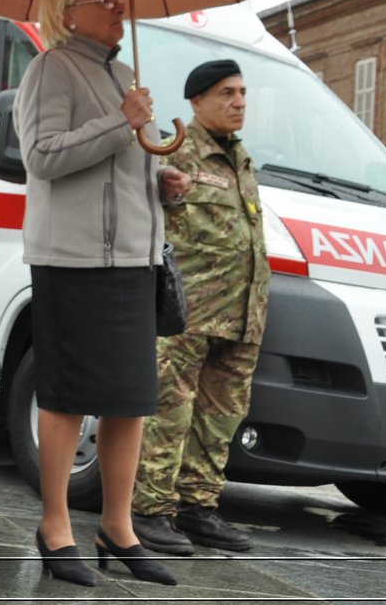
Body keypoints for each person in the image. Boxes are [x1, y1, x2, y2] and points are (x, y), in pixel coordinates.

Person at [13, 0, 191, 588]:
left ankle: (119, 528)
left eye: (120, 0)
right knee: (65, 398)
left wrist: (162, 182)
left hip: (133, 262)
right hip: (74, 258)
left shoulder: (123, 76)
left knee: (129, 402)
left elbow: (119, 167)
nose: (120, 8)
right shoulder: (51, 69)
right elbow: (43, 156)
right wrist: (122, 121)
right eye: (105, 1)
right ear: (68, 12)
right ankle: (55, 525)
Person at [132, 59, 268, 554]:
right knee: (169, 412)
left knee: (222, 416)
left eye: (242, 92)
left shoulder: (241, 157)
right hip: (188, 311)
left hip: (241, 312)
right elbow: (151, 200)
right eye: (227, 93)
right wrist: (164, 185)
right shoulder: (177, 148)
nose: (239, 102)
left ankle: (198, 507)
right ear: (197, 101)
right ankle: (150, 511)